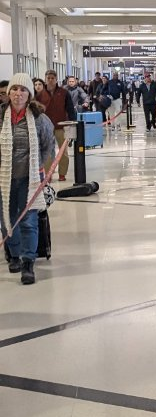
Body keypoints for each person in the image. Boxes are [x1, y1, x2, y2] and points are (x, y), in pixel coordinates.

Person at [0, 73, 56, 285]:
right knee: (7, 221)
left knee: (29, 222)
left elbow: (48, 145)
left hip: (29, 178)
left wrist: (39, 167)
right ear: (9, 92)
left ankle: (28, 263)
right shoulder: (0, 117)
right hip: (4, 179)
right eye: (14, 89)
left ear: (29, 94)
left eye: (23, 90)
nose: (18, 94)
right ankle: (13, 254)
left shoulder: (40, 119)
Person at [37, 70, 76, 182]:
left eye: (52, 78)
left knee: (63, 152)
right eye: (48, 78)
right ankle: (48, 175)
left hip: (61, 126)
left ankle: (62, 174)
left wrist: (72, 124)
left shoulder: (64, 92)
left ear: (56, 79)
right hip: (46, 128)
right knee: (47, 151)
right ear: (45, 79)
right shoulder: (40, 93)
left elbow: (70, 109)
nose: (50, 80)